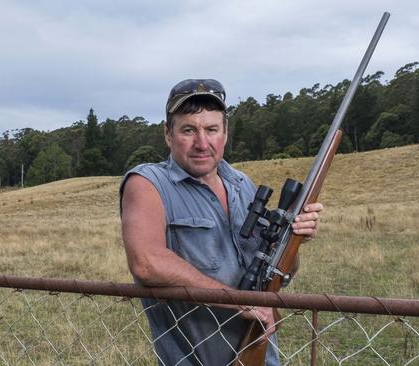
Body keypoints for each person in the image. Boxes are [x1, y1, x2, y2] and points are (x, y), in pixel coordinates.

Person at [120, 79, 323, 366]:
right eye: (188, 130)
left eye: (212, 129)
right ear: (168, 134)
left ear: (226, 133)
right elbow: (146, 262)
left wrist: (293, 241)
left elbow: (281, 271)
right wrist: (238, 300)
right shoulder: (148, 183)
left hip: (263, 355)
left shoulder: (244, 185)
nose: (202, 143)